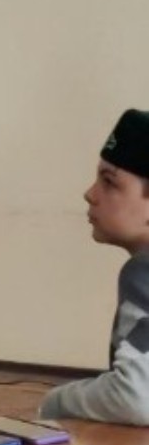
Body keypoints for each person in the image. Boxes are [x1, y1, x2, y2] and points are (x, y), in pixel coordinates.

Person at [39, 109, 149, 426]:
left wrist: (54, 403)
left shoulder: (143, 271)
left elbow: (135, 397)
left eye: (109, 182)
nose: (90, 194)